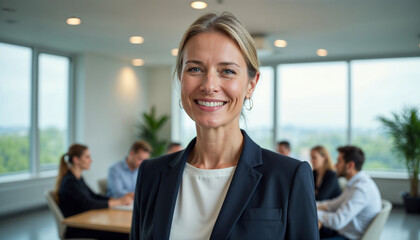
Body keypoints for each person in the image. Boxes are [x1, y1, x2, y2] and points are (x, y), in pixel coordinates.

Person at [131, 12, 319, 240]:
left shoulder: (288, 176)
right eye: (195, 69)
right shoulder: (151, 174)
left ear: (251, 85)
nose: (209, 85)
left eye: (227, 71)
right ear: (181, 77)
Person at [54, 144, 132, 240]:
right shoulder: (70, 182)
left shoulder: (78, 178)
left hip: (87, 222)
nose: (91, 160)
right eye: (87, 157)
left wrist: (115, 199)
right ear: (76, 160)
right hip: (78, 228)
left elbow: (94, 196)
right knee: (124, 235)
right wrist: (119, 202)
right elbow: (89, 203)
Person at [317, 146, 381, 240]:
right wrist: (310, 206)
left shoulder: (361, 189)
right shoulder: (354, 183)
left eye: (339, 161)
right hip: (343, 232)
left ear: (350, 165)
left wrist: (313, 213)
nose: (335, 165)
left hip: (348, 237)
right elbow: (332, 205)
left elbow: (337, 222)